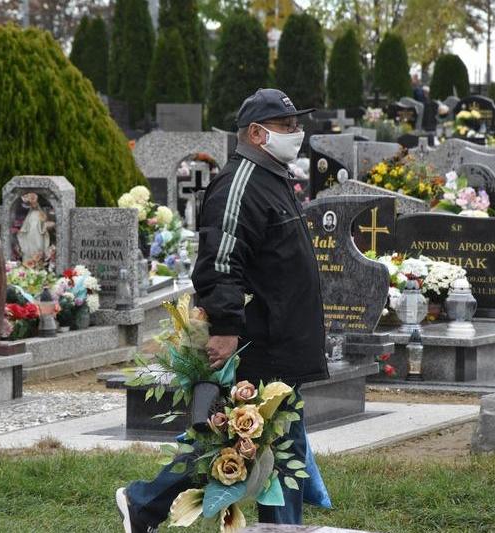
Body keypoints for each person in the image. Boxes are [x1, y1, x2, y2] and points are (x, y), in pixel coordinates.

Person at [116, 88, 331, 532]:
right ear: (256, 133)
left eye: (296, 125)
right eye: (287, 126)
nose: (297, 133)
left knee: (270, 444)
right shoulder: (240, 184)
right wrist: (227, 326)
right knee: (237, 440)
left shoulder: (271, 179)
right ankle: (144, 502)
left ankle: (147, 505)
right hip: (258, 339)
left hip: (281, 339)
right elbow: (219, 263)